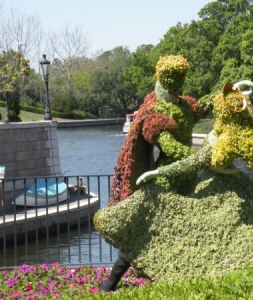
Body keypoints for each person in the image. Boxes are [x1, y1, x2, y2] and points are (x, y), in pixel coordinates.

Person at [99, 55, 200, 292]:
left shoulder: (183, 105)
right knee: (145, 231)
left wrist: (226, 96)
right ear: (164, 77)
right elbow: (169, 146)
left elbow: (201, 107)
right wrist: (202, 158)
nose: (179, 80)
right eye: (175, 76)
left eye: (182, 76)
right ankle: (110, 283)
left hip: (189, 181)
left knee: (184, 232)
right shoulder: (154, 111)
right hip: (166, 180)